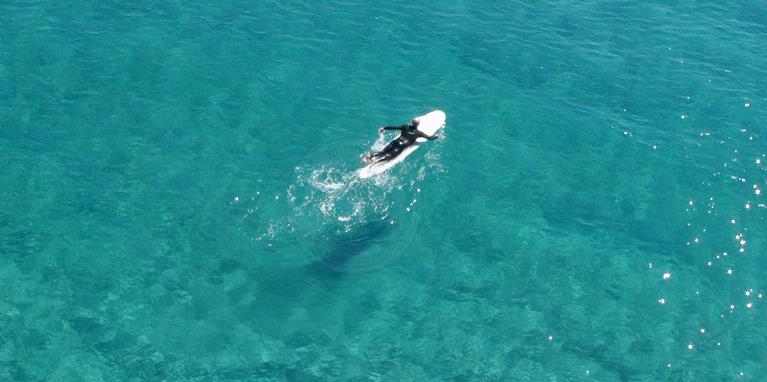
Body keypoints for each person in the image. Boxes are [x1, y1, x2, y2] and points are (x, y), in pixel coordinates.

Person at [362, 117, 438, 164]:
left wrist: (384, 128)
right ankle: (377, 161)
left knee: (383, 152)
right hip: (402, 146)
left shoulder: (405, 126)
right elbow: (430, 138)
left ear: (411, 122)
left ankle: (370, 156)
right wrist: (437, 136)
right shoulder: (419, 133)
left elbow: (393, 127)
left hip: (395, 141)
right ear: (418, 125)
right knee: (390, 155)